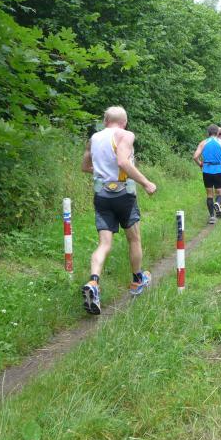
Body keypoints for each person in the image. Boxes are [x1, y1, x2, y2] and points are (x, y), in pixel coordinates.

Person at [81, 106, 157, 315]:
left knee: (104, 243)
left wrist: (103, 171)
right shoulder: (125, 135)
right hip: (124, 195)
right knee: (134, 238)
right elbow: (123, 162)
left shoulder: (94, 138)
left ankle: (93, 282)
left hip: (101, 195)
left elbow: (85, 167)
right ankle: (137, 280)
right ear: (124, 122)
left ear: (105, 121)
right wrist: (146, 183)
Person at [193, 124, 221, 224]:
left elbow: (195, 157)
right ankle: (217, 203)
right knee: (219, 193)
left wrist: (200, 164)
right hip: (218, 170)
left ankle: (212, 217)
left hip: (207, 171)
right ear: (217, 132)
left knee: (209, 194)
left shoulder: (203, 143)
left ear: (208, 132)